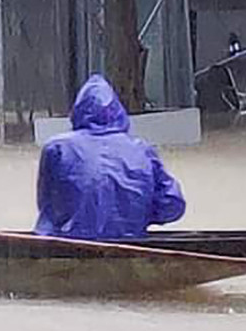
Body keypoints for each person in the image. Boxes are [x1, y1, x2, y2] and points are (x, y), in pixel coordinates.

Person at [35, 74, 187, 240]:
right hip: (130, 244)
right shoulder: (141, 149)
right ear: (118, 111)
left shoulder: (57, 148)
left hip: (72, 244)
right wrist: (136, 213)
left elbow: (48, 206)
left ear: (77, 111)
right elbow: (172, 203)